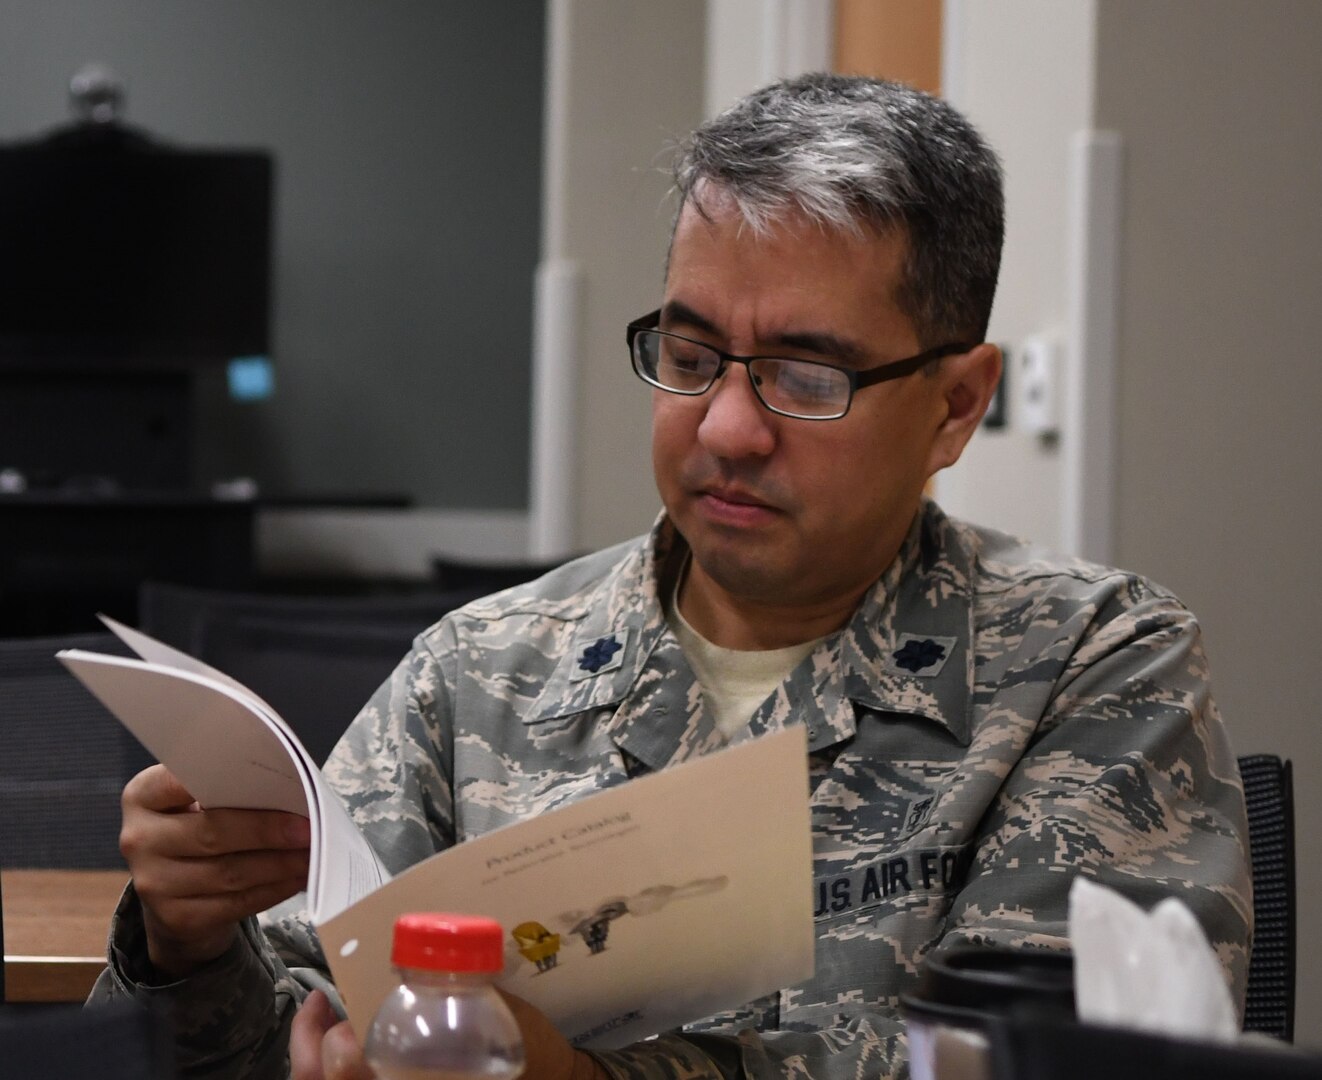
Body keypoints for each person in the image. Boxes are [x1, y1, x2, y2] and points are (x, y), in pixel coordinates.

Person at [90, 73, 1252, 1079]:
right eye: (692, 358)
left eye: (805, 376)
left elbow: (1046, 1059)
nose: (727, 428)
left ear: (954, 404)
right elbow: (275, 1041)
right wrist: (189, 947)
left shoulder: (1088, 664)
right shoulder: (485, 666)